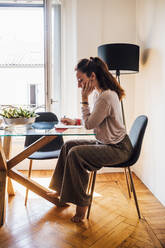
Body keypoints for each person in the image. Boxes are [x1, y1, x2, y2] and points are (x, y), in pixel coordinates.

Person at [48, 57, 133, 223]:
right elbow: (95, 120)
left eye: (81, 80)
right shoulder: (100, 94)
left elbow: (89, 125)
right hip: (106, 143)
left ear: (92, 76)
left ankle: (81, 206)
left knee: (76, 154)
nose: (79, 84)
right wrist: (75, 121)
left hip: (119, 149)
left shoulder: (106, 96)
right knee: (68, 146)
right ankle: (61, 191)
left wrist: (84, 99)